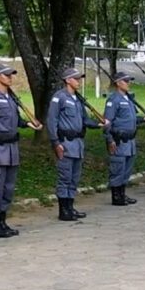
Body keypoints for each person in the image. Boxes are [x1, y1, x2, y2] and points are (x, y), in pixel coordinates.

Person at [0, 63, 42, 237]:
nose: (10, 78)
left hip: (12, 150)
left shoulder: (12, 98)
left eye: (11, 75)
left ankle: (3, 222)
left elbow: (17, 121)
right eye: (6, 75)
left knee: (8, 188)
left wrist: (29, 124)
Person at [46, 68, 107, 221]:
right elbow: (52, 121)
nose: (79, 81)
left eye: (79, 79)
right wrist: (55, 142)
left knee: (74, 178)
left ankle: (70, 207)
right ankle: (63, 210)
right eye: (76, 79)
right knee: (65, 178)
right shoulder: (59, 97)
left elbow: (85, 119)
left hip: (78, 144)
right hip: (65, 143)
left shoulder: (78, 99)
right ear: (67, 80)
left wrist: (97, 124)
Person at [104, 71, 145, 205]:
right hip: (119, 140)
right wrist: (109, 139)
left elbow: (131, 118)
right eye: (126, 81)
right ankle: (116, 196)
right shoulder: (113, 100)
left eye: (129, 81)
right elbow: (107, 122)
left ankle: (122, 193)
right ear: (118, 83)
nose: (129, 83)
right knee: (118, 168)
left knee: (126, 169)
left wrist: (143, 119)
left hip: (130, 141)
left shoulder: (128, 99)